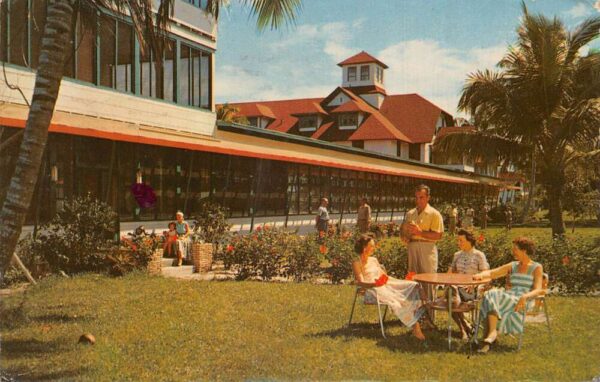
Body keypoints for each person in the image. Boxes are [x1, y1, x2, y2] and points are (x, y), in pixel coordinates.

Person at [473, 237, 544, 353]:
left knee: (491, 296)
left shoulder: (536, 267)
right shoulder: (513, 265)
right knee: (490, 294)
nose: (513, 251)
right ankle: (492, 334)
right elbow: (493, 273)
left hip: (524, 299)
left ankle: (490, 335)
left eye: (516, 249)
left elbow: (538, 289)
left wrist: (525, 297)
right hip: (509, 296)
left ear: (524, 250)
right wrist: (480, 275)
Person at [352, 234, 427, 340]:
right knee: (397, 301)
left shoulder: (373, 260)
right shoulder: (357, 263)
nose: (374, 248)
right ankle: (416, 326)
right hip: (371, 290)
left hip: (384, 284)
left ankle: (421, 314)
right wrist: (375, 284)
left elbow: (384, 276)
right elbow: (361, 282)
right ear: (364, 248)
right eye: (372, 246)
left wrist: (402, 280)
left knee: (414, 285)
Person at [403, 184, 444, 320]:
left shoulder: (434, 214)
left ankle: (430, 317)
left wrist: (420, 232)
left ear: (428, 197)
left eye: (421, 197)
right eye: (416, 197)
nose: (418, 200)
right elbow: (403, 233)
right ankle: (414, 318)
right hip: (412, 247)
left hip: (427, 248)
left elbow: (438, 236)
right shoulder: (410, 214)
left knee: (428, 281)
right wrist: (405, 235)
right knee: (413, 281)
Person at [447, 229, 490, 340]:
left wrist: (474, 285)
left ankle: (463, 328)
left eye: (461, 240)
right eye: (458, 240)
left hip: (470, 290)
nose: (459, 243)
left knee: (450, 298)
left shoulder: (479, 255)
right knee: (452, 292)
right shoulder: (457, 255)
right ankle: (464, 327)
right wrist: (450, 272)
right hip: (457, 287)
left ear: (469, 241)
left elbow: (486, 274)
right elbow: (449, 274)